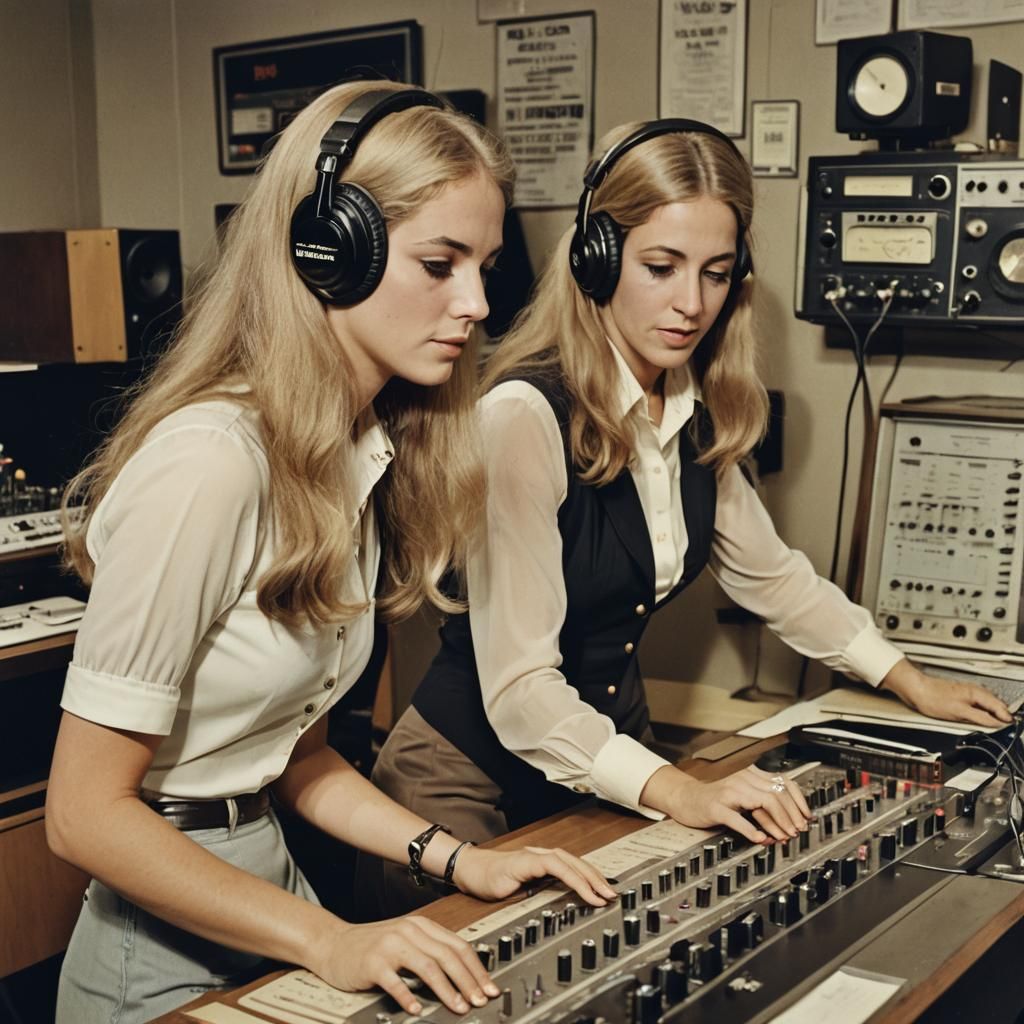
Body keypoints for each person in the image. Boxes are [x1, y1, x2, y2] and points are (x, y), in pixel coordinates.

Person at [44, 80, 616, 1024]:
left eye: (484, 264)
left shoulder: (355, 453)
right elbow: (82, 814)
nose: (475, 301)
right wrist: (330, 940)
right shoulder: (210, 464)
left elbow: (296, 756)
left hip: (270, 905)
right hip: (158, 958)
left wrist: (458, 858)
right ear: (328, 251)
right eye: (441, 262)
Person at [363, 117, 1013, 917]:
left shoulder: (695, 406)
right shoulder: (522, 417)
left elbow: (774, 577)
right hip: (461, 784)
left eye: (714, 273)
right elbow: (523, 691)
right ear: (596, 262)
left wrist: (912, 680)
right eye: (661, 267)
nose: (690, 304)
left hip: (605, 764)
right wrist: (678, 790)